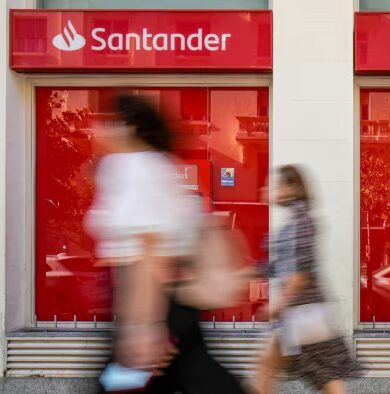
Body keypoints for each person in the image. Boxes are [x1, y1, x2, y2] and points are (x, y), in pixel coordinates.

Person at [86, 93, 246, 393]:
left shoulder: (134, 169)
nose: (99, 128)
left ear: (130, 127)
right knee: (195, 377)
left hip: (152, 301)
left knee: (122, 383)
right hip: (165, 305)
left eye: (107, 122)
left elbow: (149, 253)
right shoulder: (148, 166)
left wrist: (144, 325)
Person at [250, 165, 361, 394]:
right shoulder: (295, 219)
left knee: (272, 367)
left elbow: (302, 270)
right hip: (299, 314)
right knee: (319, 376)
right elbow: (281, 265)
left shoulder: (301, 220)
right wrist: (247, 272)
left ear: (291, 187)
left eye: (273, 184)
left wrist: (279, 303)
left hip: (303, 313)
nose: (267, 189)